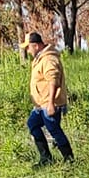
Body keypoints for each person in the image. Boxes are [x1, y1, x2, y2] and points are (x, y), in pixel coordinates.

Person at [24, 32, 72, 166]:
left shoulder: (48, 59)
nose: (28, 50)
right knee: (32, 124)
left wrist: (51, 103)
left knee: (54, 129)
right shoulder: (40, 58)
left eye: (29, 47)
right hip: (41, 104)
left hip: (49, 103)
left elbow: (53, 80)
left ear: (36, 45)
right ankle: (46, 159)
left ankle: (69, 160)